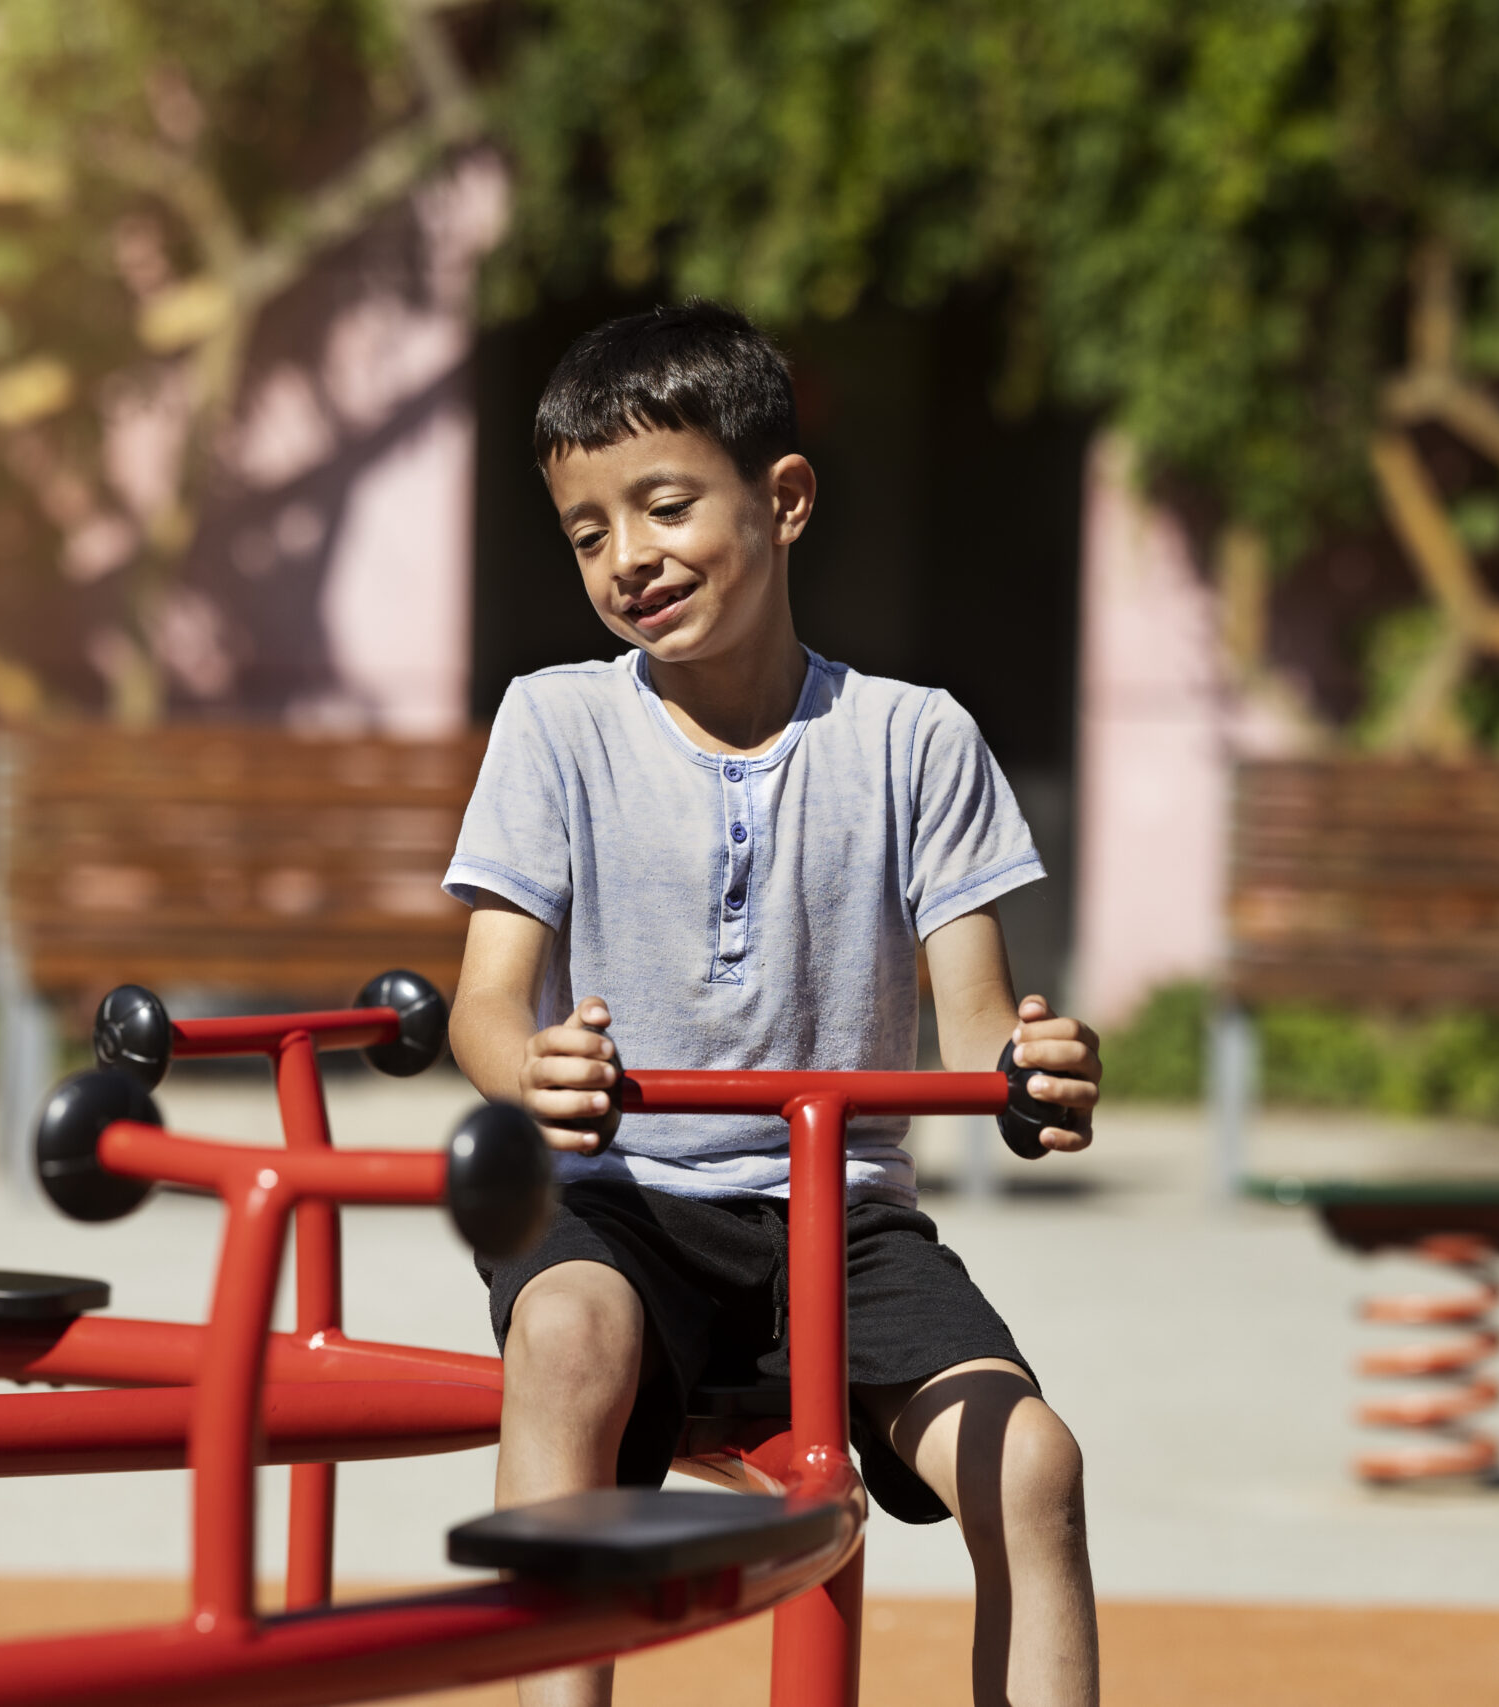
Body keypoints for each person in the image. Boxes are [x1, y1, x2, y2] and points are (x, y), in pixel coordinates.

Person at [445, 300, 1102, 1707]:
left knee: (1035, 1464)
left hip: (842, 1220)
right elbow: (485, 1004)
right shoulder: (556, 723)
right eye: (587, 532)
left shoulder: (914, 739)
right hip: (621, 1198)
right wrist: (532, 1070)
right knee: (565, 1340)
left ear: (784, 499)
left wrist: (1034, 1074)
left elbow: (979, 1035)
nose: (628, 558)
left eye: (664, 505)